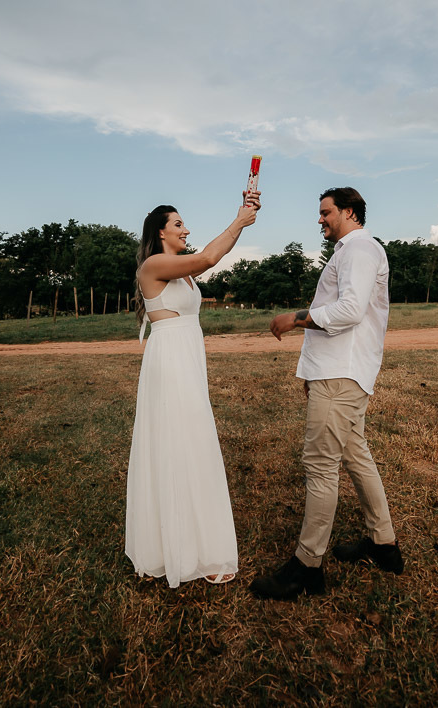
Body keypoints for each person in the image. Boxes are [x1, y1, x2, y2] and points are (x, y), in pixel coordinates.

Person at [250, 187, 403, 601]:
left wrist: (296, 318)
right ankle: (384, 544)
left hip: (342, 376)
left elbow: (350, 311)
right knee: (355, 454)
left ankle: (307, 567)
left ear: (349, 212)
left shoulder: (360, 249)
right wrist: (312, 372)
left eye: (326, 212)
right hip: (337, 373)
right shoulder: (350, 251)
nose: (320, 219)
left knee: (320, 465)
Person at [126, 194, 260, 588]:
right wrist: (238, 221)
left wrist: (245, 214)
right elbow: (208, 258)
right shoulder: (154, 265)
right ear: (161, 232)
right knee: (176, 442)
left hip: (188, 358)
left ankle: (196, 544)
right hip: (169, 363)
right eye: (179, 225)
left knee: (192, 441)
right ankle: (173, 550)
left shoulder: (181, 271)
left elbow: (210, 255)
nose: (187, 230)